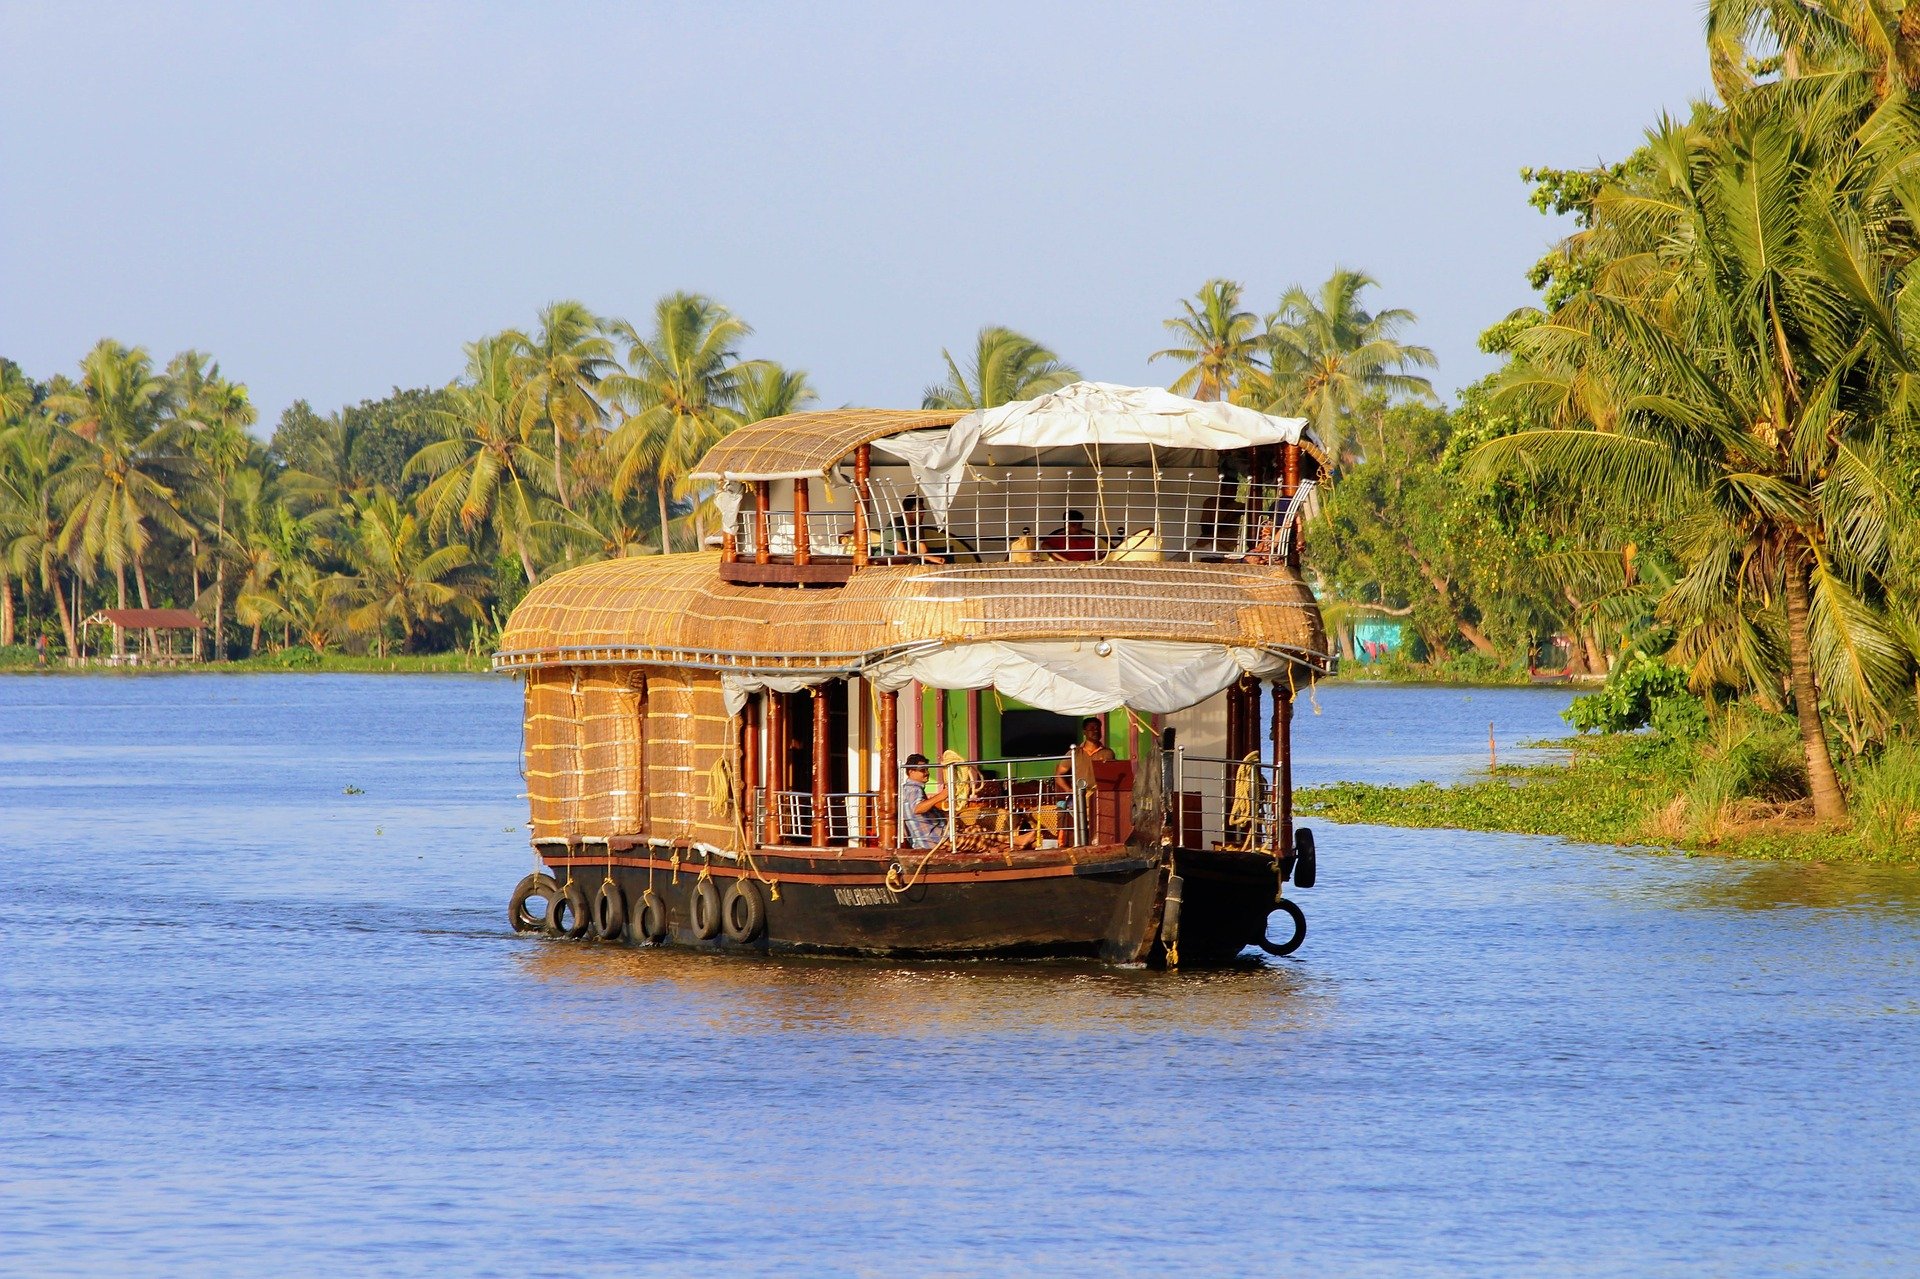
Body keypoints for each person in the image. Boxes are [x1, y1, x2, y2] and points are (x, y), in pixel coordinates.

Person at [899, 753, 947, 848]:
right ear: (911, 771)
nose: (927, 772)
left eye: (927, 769)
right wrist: (941, 796)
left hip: (936, 837)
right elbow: (917, 808)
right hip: (934, 840)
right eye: (922, 770)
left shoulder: (910, 789)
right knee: (979, 837)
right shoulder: (913, 789)